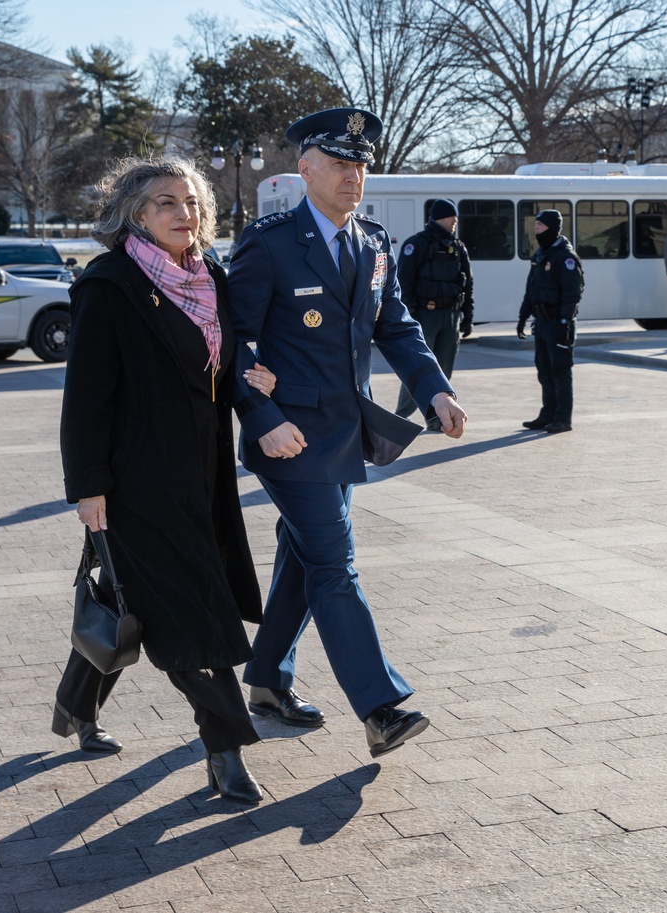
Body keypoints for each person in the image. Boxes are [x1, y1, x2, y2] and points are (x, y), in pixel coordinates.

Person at [226, 108, 468, 759]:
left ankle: (269, 681)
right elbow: (232, 339)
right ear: (305, 168)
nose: (351, 176)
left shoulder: (374, 242)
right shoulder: (270, 242)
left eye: (359, 165)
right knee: (335, 562)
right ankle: (380, 706)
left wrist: (434, 388)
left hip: (342, 436)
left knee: (306, 560)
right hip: (287, 442)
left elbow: (397, 327)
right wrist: (261, 416)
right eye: (337, 164)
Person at [53, 156, 279, 806]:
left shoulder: (212, 277)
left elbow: (225, 369)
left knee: (131, 603)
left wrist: (259, 383)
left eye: (192, 201)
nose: (186, 214)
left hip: (204, 479)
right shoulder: (109, 285)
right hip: (134, 485)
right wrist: (87, 484)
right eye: (166, 203)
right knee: (189, 612)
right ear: (134, 214)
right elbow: (87, 397)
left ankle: (75, 707)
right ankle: (227, 751)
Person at [394, 199, 474, 431]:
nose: (455, 222)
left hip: (451, 315)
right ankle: (402, 415)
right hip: (424, 316)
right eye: (452, 217)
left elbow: (468, 285)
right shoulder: (416, 245)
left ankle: (437, 417)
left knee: (443, 369)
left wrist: (467, 316)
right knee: (417, 367)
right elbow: (403, 284)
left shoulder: (458, 247)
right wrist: (408, 317)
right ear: (440, 217)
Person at [516, 210, 583, 434]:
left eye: (540, 226)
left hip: (558, 322)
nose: (536, 230)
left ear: (552, 228)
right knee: (544, 370)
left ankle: (563, 418)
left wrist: (565, 322)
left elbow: (573, 293)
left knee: (560, 370)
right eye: (535, 226)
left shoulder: (565, 257)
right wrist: (523, 317)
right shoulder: (540, 255)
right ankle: (547, 415)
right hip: (542, 322)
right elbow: (530, 290)